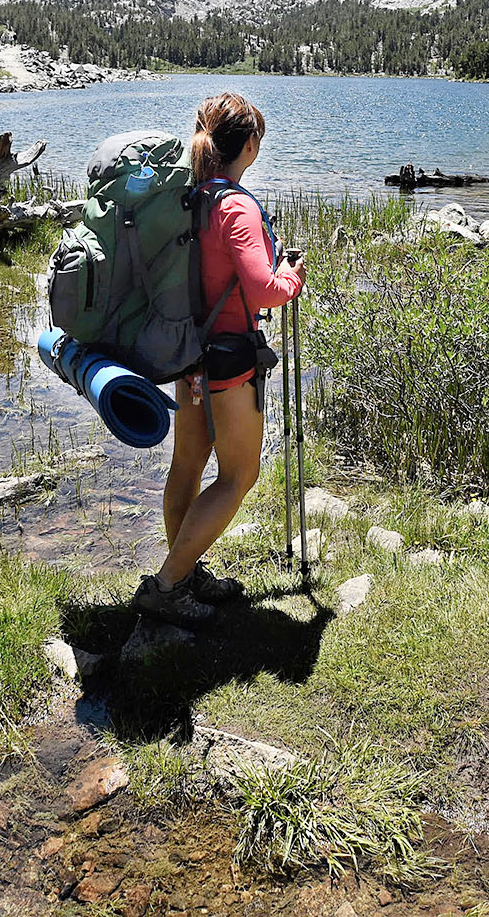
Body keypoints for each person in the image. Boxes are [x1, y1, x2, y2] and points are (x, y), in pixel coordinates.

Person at [131, 92, 305, 627]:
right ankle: (167, 585)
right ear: (249, 146)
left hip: (190, 358)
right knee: (239, 476)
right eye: (260, 141)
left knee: (187, 464)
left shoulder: (195, 198)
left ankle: (184, 572)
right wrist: (294, 276)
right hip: (229, 361)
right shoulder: (237, 204)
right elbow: (265, 288)